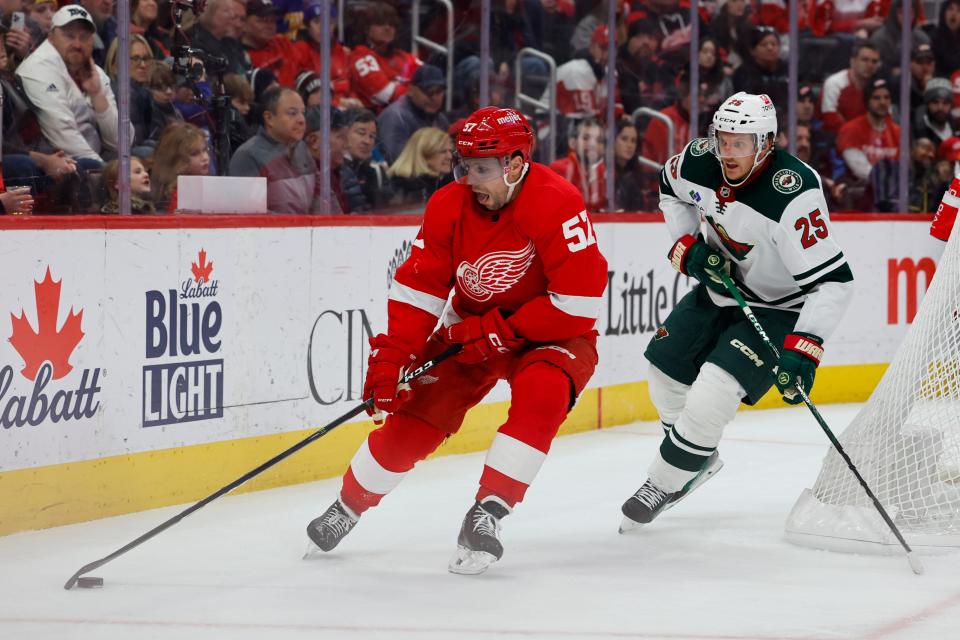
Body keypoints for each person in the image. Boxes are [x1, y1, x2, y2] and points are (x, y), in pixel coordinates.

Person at [305, 106, 607, 575]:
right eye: (463, 166)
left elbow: (578, 303)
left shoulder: (558, 202)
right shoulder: (449, 204)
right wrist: (391, 358)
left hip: (551, 334)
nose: (469, 179)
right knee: (414, 421)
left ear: (515, 163)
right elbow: (418, 290)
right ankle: (348, 505)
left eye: (481, 169)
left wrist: (501, 331)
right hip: (469, 330)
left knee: (542, 398)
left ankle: (488, 512)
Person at [618, 92, 853, 530]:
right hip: (721, 289)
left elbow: (835, 282)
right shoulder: (699, 160)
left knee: (714, 390)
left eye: (741, 143)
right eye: (723, 140)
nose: (728, 152)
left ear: (765, 144)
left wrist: (804, 349)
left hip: (779, 308)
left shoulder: (794, 192)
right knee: (663, 370)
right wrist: (688, 246)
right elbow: (670, 189)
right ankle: (697, 460)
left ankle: (665, 481)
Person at [16, 5, 121, 167]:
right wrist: (107, 172)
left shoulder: (95, 71)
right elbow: (64, 137)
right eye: (69, 36)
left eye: (84, 37)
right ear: (51, 38)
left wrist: (98, 95)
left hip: (95, 156)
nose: (77, 44)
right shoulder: (37, 69)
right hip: (60, 164)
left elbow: (122, 142)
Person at [229, 86, 326, 214]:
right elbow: (248, 213)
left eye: (303, 112)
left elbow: (323, 197)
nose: (301, 120)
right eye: (292, 113)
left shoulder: (301, 149)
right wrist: (297, 228)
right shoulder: (247, 156)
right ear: (269, 118)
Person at [377, 64, 450, 164]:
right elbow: (396, 161)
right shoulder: (396, 117)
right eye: (428, 91)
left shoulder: (441, 120)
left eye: (439, 92)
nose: (434, 98)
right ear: (411, 90)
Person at [837, 77, 900, 183]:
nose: (883, 102)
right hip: (859, 191)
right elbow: (860, 170)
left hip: (894, 190)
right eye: (876, 98)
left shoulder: (898, 132)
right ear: (867, 101)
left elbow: (903, 167)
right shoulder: (851, 130)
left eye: (886, 97)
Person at [819, 42, 881, 134]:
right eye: (865, 60)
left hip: (868, 139)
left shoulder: (879, 87)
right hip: (836, 137)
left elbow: (884, 119)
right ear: (852, 61)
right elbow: (831, 121)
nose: (870, 65)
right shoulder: (834, 83)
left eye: (874, 61)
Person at [385, 126, 453, 208]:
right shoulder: (402, 188)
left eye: (450, 151)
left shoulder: (442, 183)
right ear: (423, 154)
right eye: (443, 151)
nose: (449, 156)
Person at [150, 122, 211, 212]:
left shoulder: (205, 185)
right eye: (195, 154)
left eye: (205, 150)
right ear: (177, 160)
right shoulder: (175, 195)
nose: (205, 158)